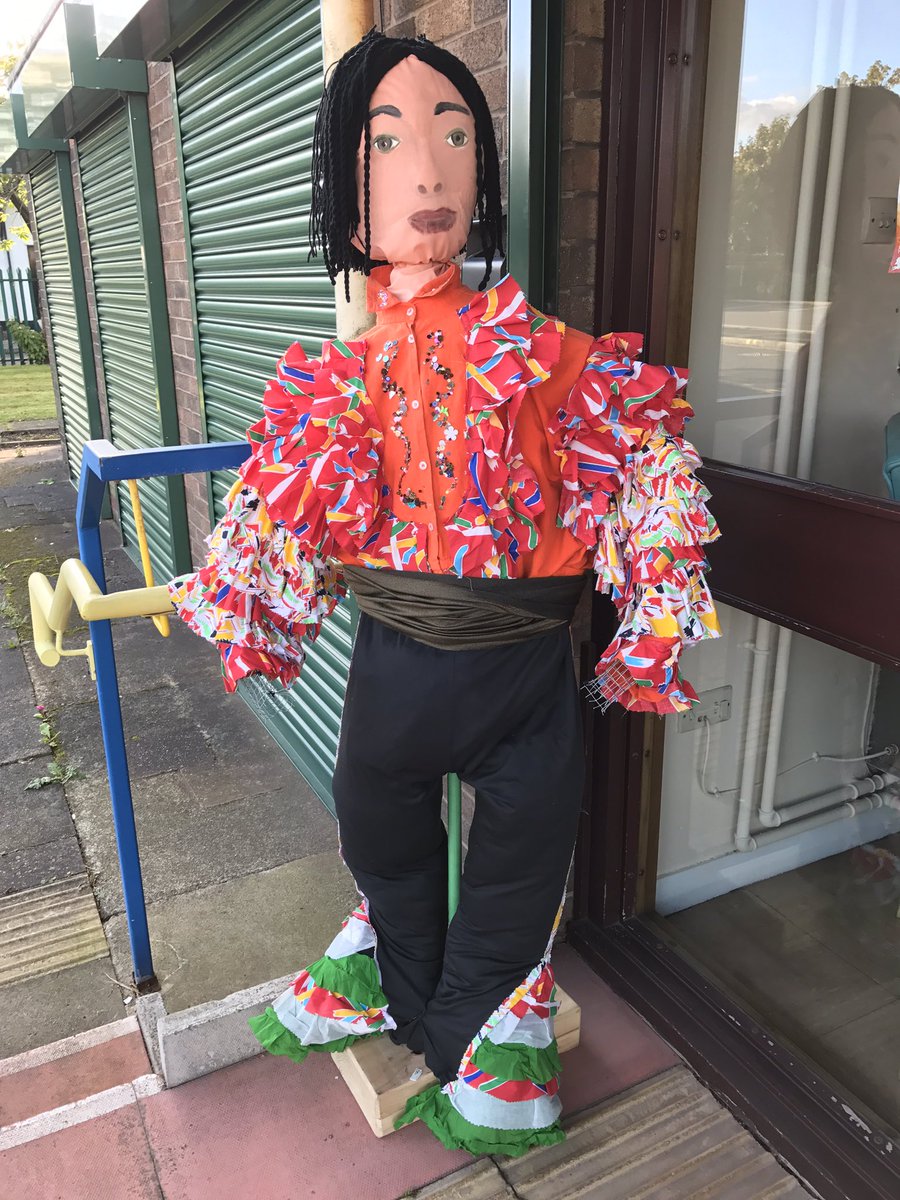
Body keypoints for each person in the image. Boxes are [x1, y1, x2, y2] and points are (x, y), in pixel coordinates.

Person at [166, 28, 722, 1157]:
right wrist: (253, 599)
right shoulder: (335, 379)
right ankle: (415, 1012)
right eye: (389, 143)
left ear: (484, 173)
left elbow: (654, 477)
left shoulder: (562, 363)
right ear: (349, 188)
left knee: (525, 869)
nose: (428, 170)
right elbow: (281, 525)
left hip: (528, 682)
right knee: (382, 842)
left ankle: (471, 1050)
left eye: (455, 137)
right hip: (394, 683)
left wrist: (655, 617)